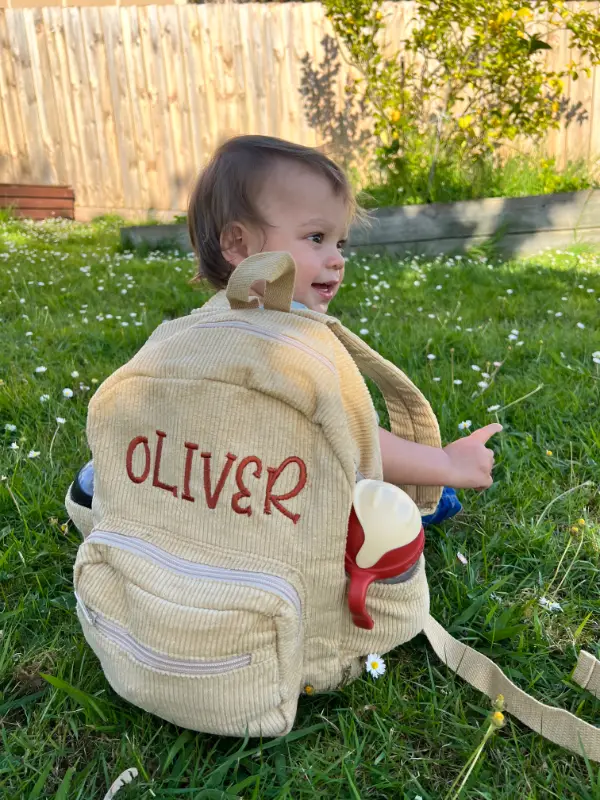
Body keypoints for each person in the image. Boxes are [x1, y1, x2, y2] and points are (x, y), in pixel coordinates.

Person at [70, 135, 501, 526]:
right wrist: (445, 464)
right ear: (239, 245)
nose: (336, 259)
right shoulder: (295, 343)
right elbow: (356, 438)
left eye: (340, 243)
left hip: (158, 492)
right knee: (396, 508)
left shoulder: (192, 333)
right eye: (316, 238)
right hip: (261, 505)